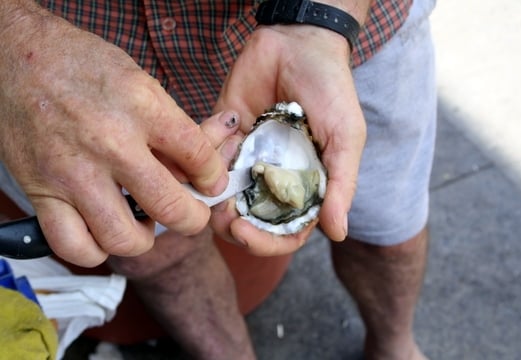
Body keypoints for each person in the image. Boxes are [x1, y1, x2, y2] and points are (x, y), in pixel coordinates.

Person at [0, 0, 436, 358]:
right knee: (155, 254)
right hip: (69, 68)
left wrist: (321, 18)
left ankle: (395, 344)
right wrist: (14, 43)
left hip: (332, 36)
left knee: (387, 230)